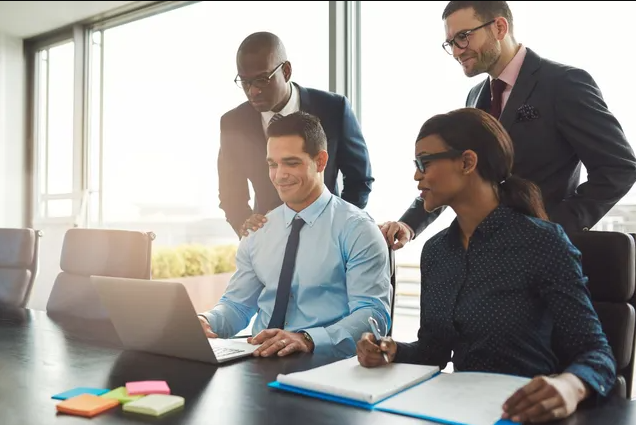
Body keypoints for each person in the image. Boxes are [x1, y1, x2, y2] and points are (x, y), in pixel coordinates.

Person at [356, 108, 617, 423]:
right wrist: (391, 351)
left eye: (424, 162)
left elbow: (597, 355)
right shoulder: (436, 252)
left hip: (527, 412)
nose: (416, 175)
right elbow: (433, 354)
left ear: (467, 162)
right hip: (461, 411)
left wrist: (570, 386)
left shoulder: (542, 242)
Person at [381, 0, 636, 249]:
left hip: (542, 257)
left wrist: (553, 227)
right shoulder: (475, 97)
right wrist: (409, 224)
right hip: (485, 251)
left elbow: (619, 168)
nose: (457, 50)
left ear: (499, 28)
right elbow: (460, 174)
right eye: (451, 42)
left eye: (464, 36)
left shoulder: (564, 84)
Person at [201, 111, 391, 359]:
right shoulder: (259, 230)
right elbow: (237, 306)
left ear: (321, 161)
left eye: (291, 163)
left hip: (327, 365)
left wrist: (308, 339)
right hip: (259, 360)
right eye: (272, 164)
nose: (279, 175)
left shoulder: (357, 229)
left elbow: (372, 316)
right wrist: (206, 321)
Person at [218, 31, 374, 238]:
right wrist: (245, 226)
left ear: (287, 71)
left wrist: (339, 225)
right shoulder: (233, 123)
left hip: (328, 235)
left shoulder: (334, 109)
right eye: (245, 82)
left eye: (262, 80)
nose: (252, 91)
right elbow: (230, 192)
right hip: (267, 238)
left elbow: (359, 179)